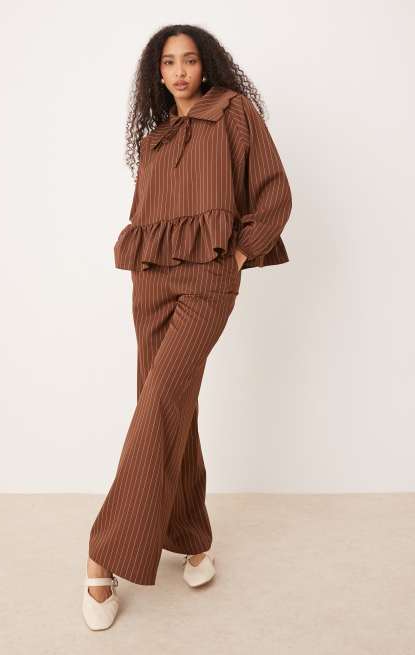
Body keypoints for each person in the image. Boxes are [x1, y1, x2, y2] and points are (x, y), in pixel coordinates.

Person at [82, 24, 292, 630]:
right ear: (157, 73)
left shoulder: (233, 112)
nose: (179, 72)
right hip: (150, 283)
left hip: (208, 280)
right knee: (171, 404)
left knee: (160, 404)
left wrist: (239, 254)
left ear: (207, 65)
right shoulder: (153, 141)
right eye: (169, 63)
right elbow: (147, 217)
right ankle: (193, 537)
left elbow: (274, 192)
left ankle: (103, 554)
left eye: (189, 60)